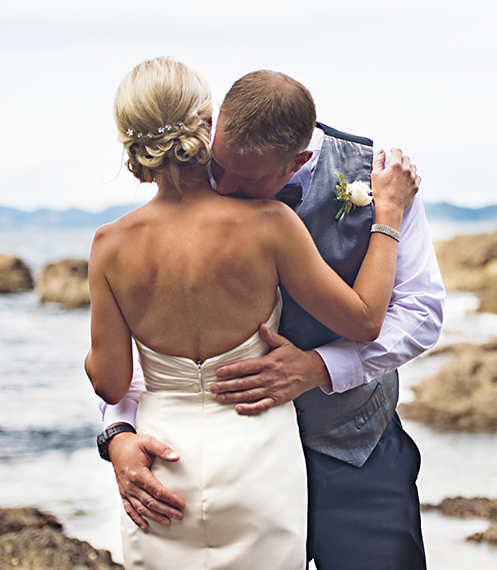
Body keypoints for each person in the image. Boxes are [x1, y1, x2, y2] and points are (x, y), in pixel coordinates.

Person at [98, 64, 445, 569]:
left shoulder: (380, 181)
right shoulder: (195, 171)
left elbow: (420, 313)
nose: (227, 186)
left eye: (249, 178)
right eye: (221, 167)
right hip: (220, 460)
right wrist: (118, 434)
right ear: (211, 127)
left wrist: (321, 368)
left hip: (351, 453)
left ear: (298, 160)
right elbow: (144, 335)